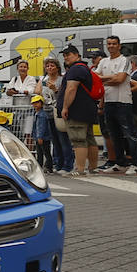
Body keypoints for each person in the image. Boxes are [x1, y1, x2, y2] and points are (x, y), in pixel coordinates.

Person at [97, 36, 137, 174]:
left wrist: (103, 80)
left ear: (119, 46)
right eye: (109, 44)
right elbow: (95, 78)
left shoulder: (124, 60)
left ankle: (134, 164)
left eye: (114, 44)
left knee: (129, 134)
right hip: (109, 101)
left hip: (123, 102)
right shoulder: (103, 61)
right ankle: (120, 162)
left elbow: (120, 79)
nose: (111, 46)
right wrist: (110, 78)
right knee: (114, 134)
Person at [58, 45, 98, 175]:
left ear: (76, 55)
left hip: (77, 110)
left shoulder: (75, 69)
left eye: (68, 55)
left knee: (78, 139)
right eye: (64, 55)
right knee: (89, 139)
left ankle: (79, 169)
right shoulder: (84, 68)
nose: (66, 58)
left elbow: (71, 89)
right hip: (87, 109)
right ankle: (92, 167)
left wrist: (65, 107)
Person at [40, 58, 73, 173]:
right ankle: (58, 164)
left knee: (63, 139)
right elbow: (38, 91)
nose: (49, 68)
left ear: (57, 68)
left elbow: (65, 95)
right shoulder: (43, 80)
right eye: (47, 66)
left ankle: (67, 165)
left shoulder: (62, 79)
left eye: (52, 66)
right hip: (48, 112)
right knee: (54, 140)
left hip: (58, 112)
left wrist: (55, 89)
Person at [29, 95, 55, 173]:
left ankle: (48, 167)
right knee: (40, 152)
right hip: (39, 137)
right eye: (34, 103)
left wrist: (40, 137)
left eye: (37, 102)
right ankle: (41, 166)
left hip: (43, 137)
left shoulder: (41, 115)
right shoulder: (38, 113)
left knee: (45, 152)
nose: (35, 104)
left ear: (41, 103)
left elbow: (41, 127)